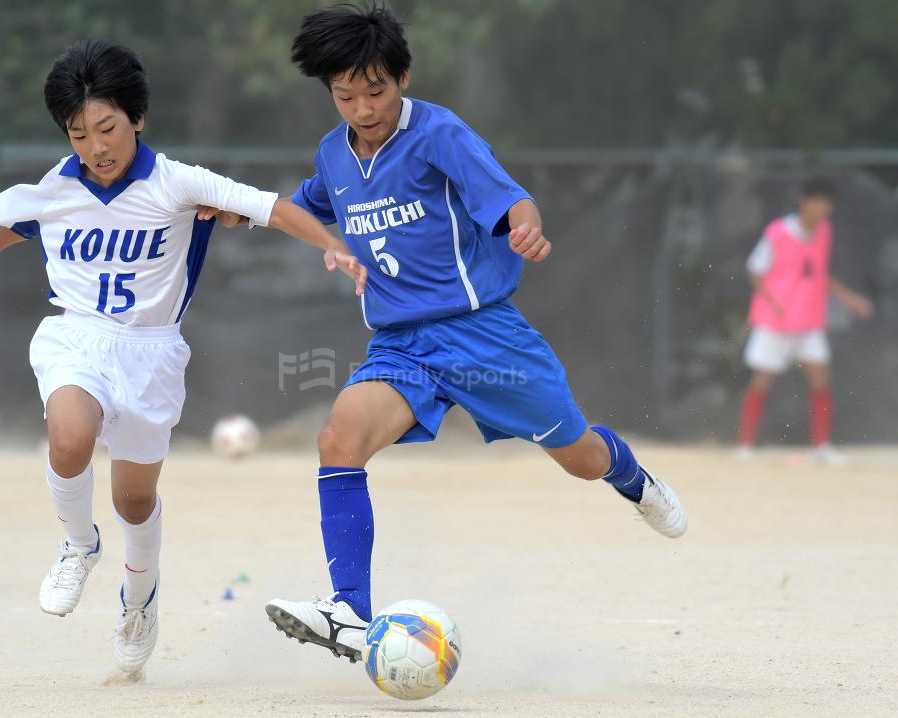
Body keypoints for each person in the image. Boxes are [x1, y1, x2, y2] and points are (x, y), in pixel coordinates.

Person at [204, 3, 687, 664]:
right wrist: (238, 212)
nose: (362, 107)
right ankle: (349, 610)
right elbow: (308, 204)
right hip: (403, 346)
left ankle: (628, 474)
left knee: (580, 459)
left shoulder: (440, 134)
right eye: (345, 95)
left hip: (484, 334)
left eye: (375, 91)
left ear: (401, 77)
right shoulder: (333, 153)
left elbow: (511, 195)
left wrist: (526, 223)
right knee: (338, 436)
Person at [0, 40, 365, 674]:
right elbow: (27, 222)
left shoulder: (179, 182)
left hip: (151, 356)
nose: (95, 146)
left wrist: (331, 245)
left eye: (106, 127)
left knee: (133, 501)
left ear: (137, 118)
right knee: (68, 439)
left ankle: (140, 595)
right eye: (77, 133)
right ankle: (77, 544)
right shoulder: (59, 186)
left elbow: (273, 207)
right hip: (76, 336)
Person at [736, 177, 872, 462]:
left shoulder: (824, 232)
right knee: (762, 380)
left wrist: (849, 299)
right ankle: (744, 445)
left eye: (827, 203)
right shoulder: (778, 232)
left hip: (809, 320)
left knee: (821, 377)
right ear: (804, 201)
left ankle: (821, 447)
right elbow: (755, 270)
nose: (822, 208)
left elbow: (821, 274)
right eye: (817, 201)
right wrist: (775, 303)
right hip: (776, 321)